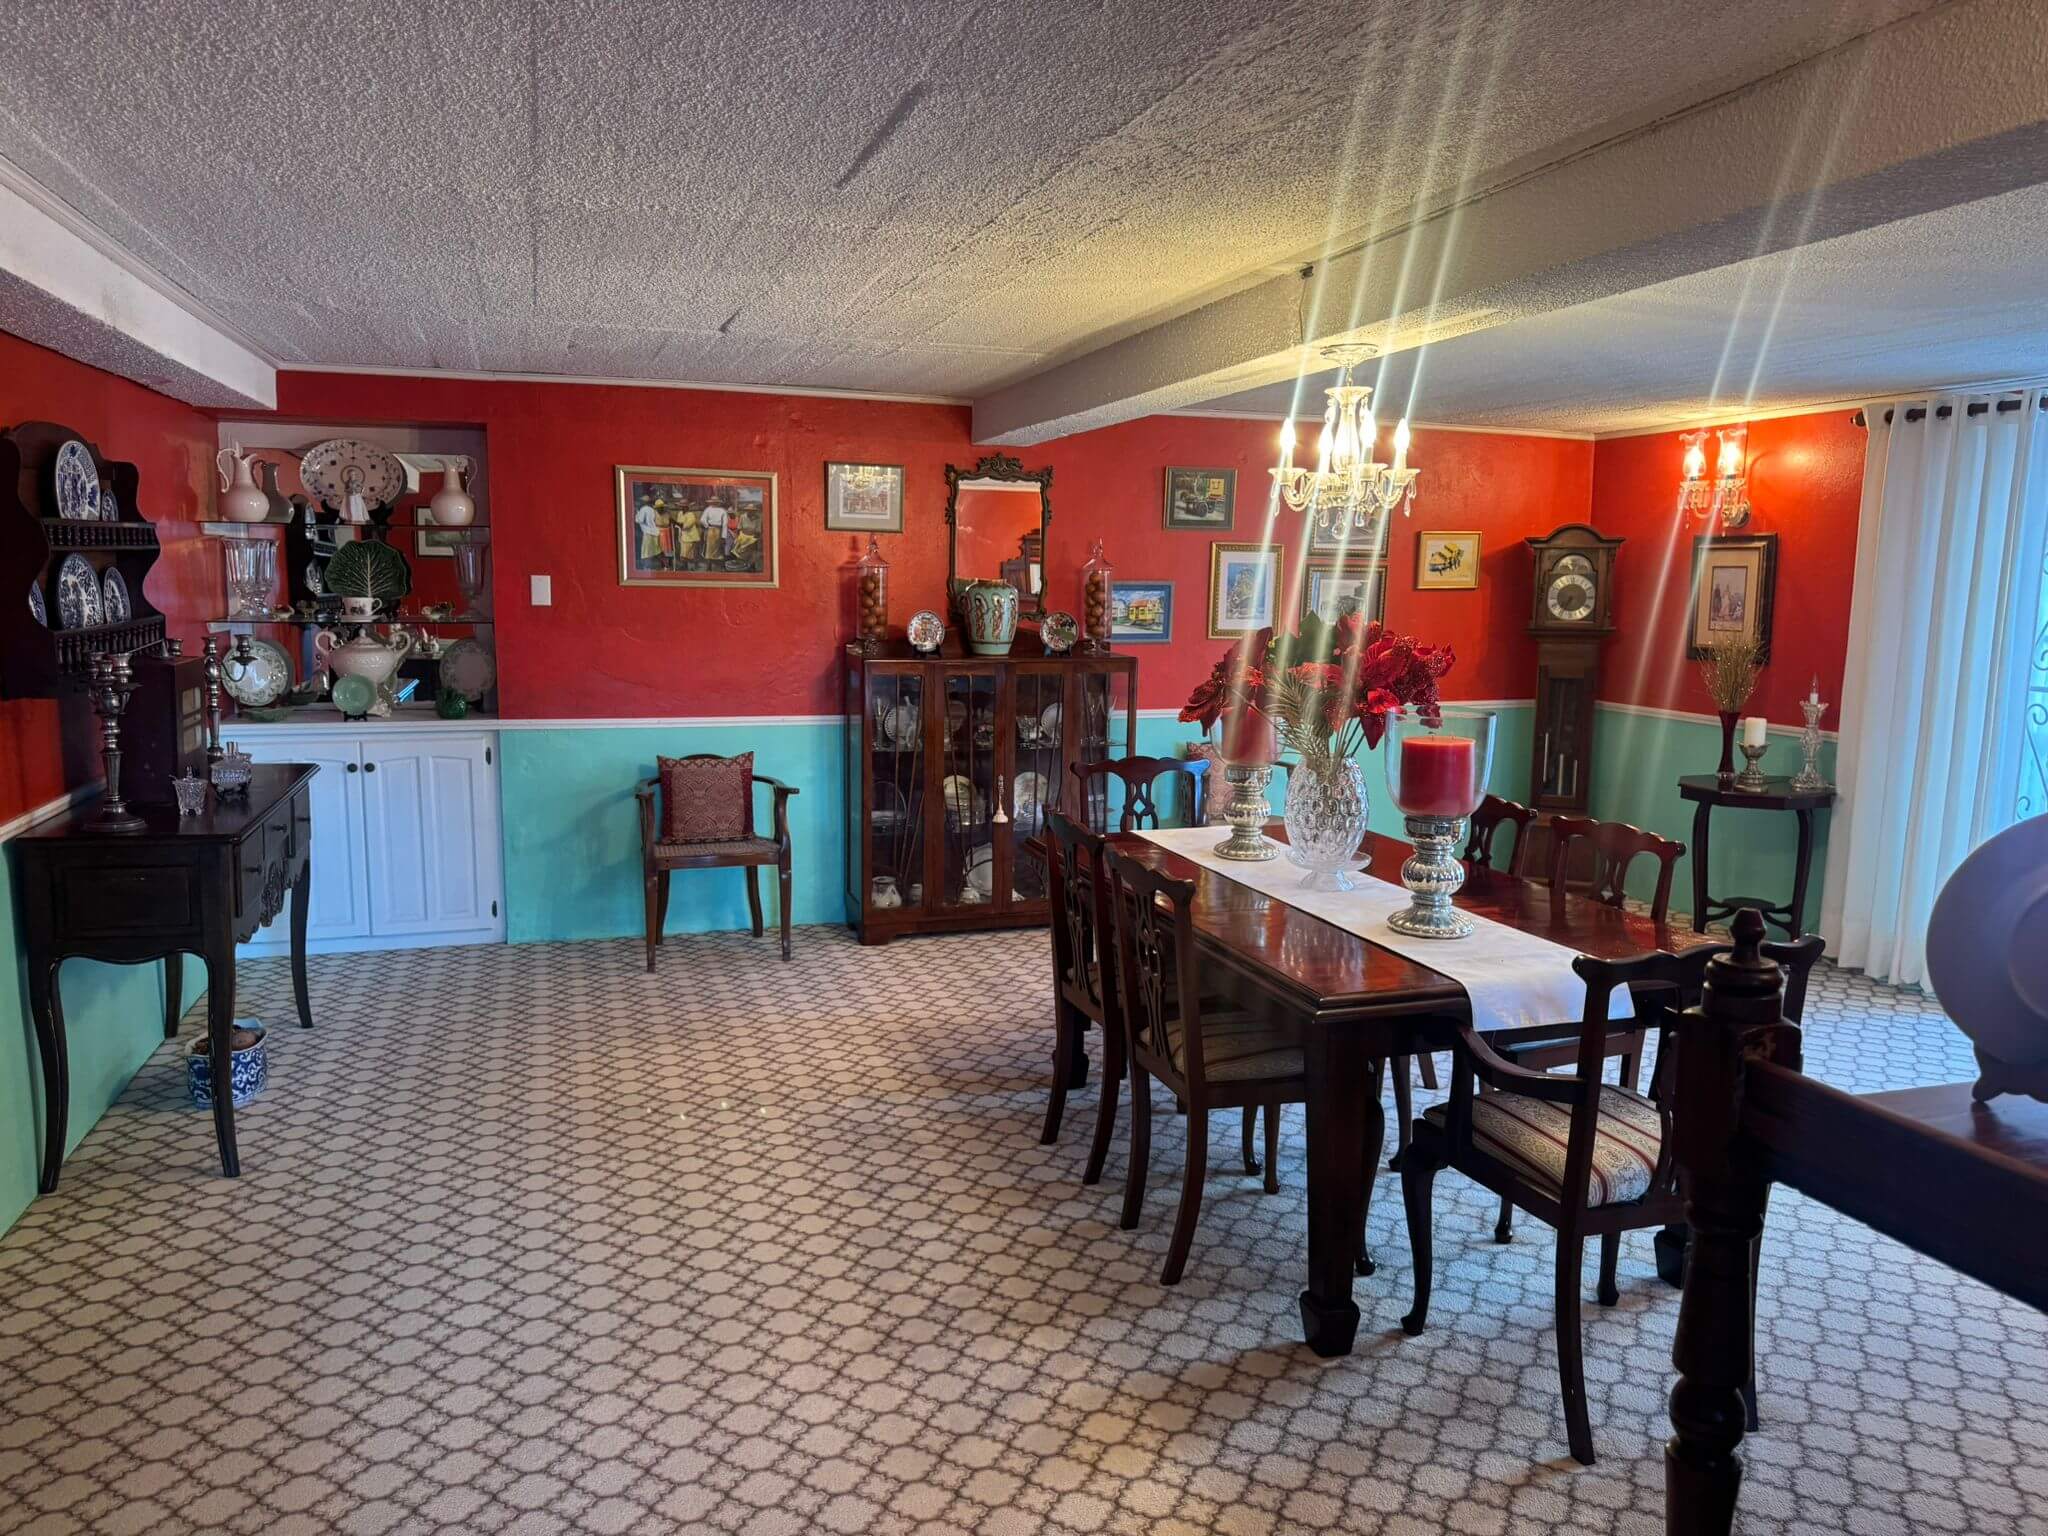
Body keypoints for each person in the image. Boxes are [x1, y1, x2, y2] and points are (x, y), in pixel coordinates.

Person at [634, 497, 662, 568]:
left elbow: (639, 520)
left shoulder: (643, 509)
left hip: (648, 533)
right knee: (655, 551)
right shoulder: (652, 509)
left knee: (646, 552)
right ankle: (664, 565)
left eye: (641, 501)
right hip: (655, 532)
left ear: (643, 502)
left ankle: (646, 567)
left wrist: (636, 513)